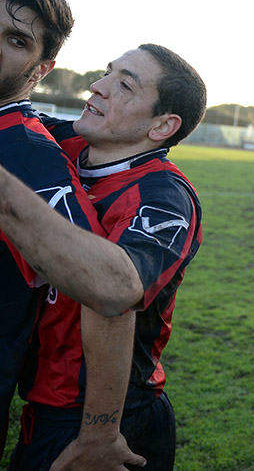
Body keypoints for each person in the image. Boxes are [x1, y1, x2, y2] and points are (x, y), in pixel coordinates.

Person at [0, 44, 206, 470]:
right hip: (41, 403)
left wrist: (99, 434)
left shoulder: (164, 197)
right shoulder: (63, 143)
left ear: (162, 126)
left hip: (111, 424)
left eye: (125, 85)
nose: (98, 86)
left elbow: (115, 290)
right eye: (108, 72)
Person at [0, 0, 149, 463]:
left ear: (41, 69)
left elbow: (109, 288)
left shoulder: (27, 154)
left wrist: (98, 435)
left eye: (16, 40)